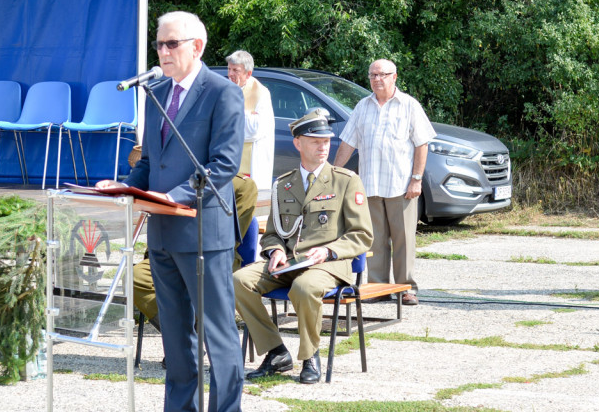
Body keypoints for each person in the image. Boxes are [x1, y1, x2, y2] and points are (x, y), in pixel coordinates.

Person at [98, 11, 246, 412]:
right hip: (162, 234)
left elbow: (223, 166)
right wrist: (128, 186)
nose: (162, 52)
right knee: (176, 333)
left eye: (171, 45)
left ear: (197, 47)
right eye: (159, 45)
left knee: (216, 332)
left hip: (204, 233)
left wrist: (172, 197)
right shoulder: (157, 92)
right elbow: (150, 160)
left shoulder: (223, 93)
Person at [234, 108, 373, 384]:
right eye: (315, 141)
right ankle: (276, 351)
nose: (324, 147)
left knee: (304, 287)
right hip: (289, 261)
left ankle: (310, 355)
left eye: (326, 141)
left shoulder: (345, 180)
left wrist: (329, 250)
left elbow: (362, 235)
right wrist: (274, 251)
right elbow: (273, 234)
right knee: (239, 280)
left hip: (329, 264)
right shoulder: (283, 184)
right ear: (298, 143)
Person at [332, 58, 435, 306]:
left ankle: (406, 288)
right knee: (374, 240)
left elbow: (422, 144)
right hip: (370, 186)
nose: (377, 79)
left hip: (401, 186)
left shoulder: (409, 105)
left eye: (382, 75)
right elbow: (348, 143)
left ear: (394, 77)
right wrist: (332, 174)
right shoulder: (362, 106)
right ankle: (378, 287)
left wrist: (416, 179)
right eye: (373, 75)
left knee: (404, 239)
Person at [132, 173, 259, 330]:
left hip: (211, 259)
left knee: (200, 285)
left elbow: (226, 237)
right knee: (136, 276)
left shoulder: (240, 185)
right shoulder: (172, 176)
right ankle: (185, 338)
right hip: (169, 252)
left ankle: (187, 343)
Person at [226, 50, 275, 194]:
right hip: (228, 164)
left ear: (248, 73)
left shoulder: (261, 93)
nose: (230, 74)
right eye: (229, 69)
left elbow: (254, 130)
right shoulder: (225, 90)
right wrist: (247, 116)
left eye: (236, 70)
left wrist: (233, 117)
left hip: (251, 166)